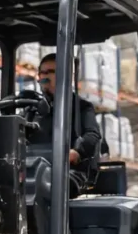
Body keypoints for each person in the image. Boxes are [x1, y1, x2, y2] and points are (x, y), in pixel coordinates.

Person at [34, 53, 103, 196]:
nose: (46, 76)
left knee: (51, 186)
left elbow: (93, 135)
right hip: (37, 169)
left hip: (70, 171)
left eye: (51, 72)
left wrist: (76, 152)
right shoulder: (33, 110)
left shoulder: (81, 107)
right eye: (43, 72)